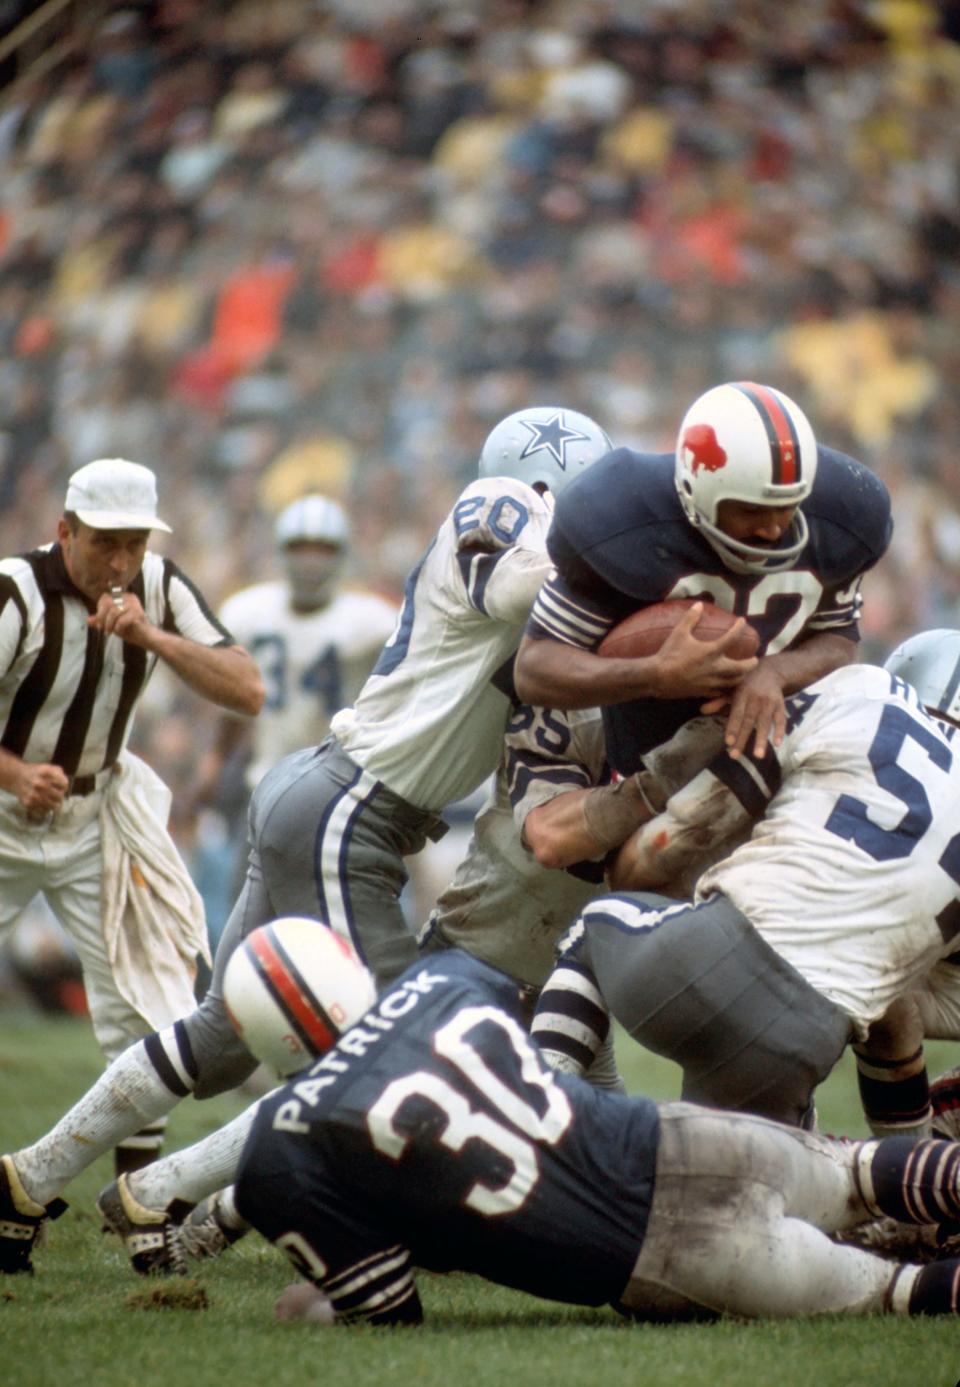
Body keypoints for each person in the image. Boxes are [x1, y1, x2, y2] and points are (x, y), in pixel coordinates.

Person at [0, 406, 612, 1274]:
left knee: (218, 1037)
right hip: (348, 808)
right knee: (407, 1037)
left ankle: (28, 1175)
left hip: (325, 794)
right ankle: (167, 1193)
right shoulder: (504, 507)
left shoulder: (521, 556)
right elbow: (523, 589)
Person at [228, 922, 960, 1326]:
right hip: (683, 1137)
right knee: (859, 1170)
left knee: (896, 1292)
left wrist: (320, 1307)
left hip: (667, 1257)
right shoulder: (441, 980)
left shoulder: (283, 1150)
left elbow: (390, 1311)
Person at [530, 632, 960, 1137]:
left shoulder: (861, 690)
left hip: (709, 958)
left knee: (597, 924)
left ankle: (529, 1108)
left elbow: (680, 834)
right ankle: (904, 1187)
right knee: (718, 1187)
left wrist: (633, 877)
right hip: (806, 1043)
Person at [0, 457, 263, 1178]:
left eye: (135, 544)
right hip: (2, 812)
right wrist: (16, 771)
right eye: (104, 542)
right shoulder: (14, 590)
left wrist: (154, 639)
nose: (120, 562)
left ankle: (136, 1201)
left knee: (149, 1010)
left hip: (98, 818)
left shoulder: (160, 586)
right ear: (65, 530)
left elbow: (247, 689)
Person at [513, 380, 892, 774]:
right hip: (644, 770)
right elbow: (535, 667)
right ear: (696, 489)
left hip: (785, 763)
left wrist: (774, 672)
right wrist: (653, 674)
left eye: (788, 507)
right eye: (752, 511)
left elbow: (840, 641)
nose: (774, 528)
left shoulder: (844, 511)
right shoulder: (622, 521)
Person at [191, 493, 397, 940]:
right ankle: (238, 1001)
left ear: (341, 555)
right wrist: (213, 762)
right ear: (283, 553)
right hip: (266, 786)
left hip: (347, 791)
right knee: (246, 919)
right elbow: (236, 701)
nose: (310, 561)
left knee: (354, 917)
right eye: (301, 547)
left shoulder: (374, 622)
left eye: (322, 549)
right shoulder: (250, 612)